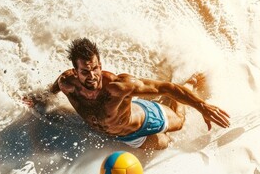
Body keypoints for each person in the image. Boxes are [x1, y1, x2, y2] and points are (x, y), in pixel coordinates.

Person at [23, 38, 230, 150]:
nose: (92, 76)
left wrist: (202, 106)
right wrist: (42, 98)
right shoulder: (67, 83)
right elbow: (56, 86)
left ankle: (190, 83)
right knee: (158, 145)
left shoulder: (118, 86)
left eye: (95, 68)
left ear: (100, 65)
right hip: (123, 137)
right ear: (75, 72)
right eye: (85, 72)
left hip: (144, 120)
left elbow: (165, 87)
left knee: (176, 128)